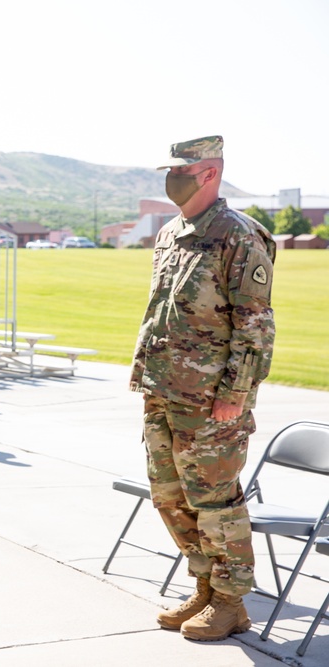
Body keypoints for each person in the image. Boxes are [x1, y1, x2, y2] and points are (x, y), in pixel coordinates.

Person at [131, 135, 276, 642]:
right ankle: (205, 586)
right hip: (161, 388)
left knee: (215, 498)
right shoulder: (172, 232)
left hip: (212, 398)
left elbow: (255, 323)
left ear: (209, 172)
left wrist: (235, 393)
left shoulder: (239, 235)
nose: (172, 179)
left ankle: (232, 601)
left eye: (182, 171)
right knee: (170, 495)